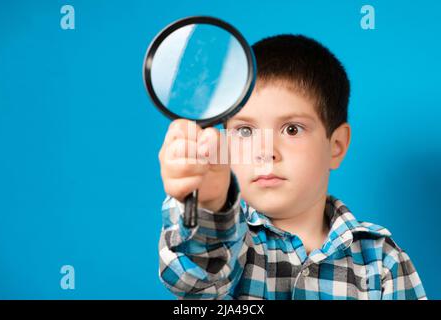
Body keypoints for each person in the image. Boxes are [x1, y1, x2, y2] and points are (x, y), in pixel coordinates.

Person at [157, 34, 426, 299]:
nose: (266, 152)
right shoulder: (231, 245)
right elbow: (193, 279)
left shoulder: (382, 261)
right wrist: (209, 204)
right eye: (245, 131)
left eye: (292, 129)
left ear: (336, 146)